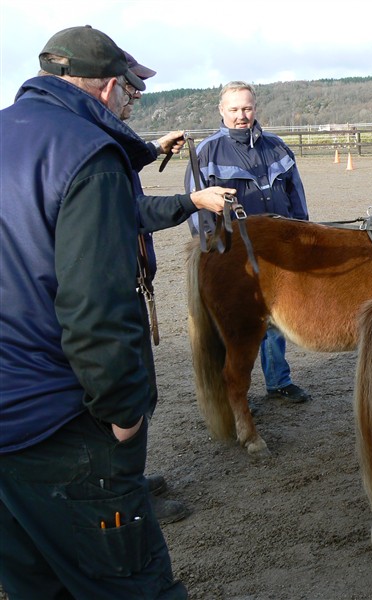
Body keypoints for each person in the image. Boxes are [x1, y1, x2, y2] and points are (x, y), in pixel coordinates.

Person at [0, 25, 190, 597]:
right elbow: (95, 310)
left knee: (35, 583)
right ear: (109, 89)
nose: (134, 105)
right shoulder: (92, 157)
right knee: (132, 584)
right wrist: (123, 413)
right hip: (64, 422)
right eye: (134, 94)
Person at [121, 50, 232, 525]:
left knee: (135, 392)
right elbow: (131, 208)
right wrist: (192, 201)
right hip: (112, 292)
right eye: (130, 88)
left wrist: (151, 150)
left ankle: (129, 478)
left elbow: (118, 171)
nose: (136, 96)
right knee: (125, 394)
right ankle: (124, 495)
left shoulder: (88, 135)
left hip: (126, 283)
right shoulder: (87, 137)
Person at [185, 81, 312, 404]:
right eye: (234, 109)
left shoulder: (278, 147)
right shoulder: (206, 153)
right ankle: (235, 392)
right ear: (221, 110)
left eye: (247, 108)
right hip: (234, 254)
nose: (242, 116)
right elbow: (197, 209)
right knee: (238, 325)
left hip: (278, 252)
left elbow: (295, 195)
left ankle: (278, 381)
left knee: (275, 319)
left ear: (255, 108)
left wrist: (302, 235)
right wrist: (212, 251)